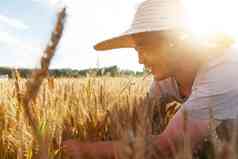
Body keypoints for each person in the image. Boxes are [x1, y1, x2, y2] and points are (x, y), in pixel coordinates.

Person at [63, 0, 238, 158]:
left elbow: (166, 147)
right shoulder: (165, 80)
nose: (139, 60)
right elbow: (143, 112)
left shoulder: (224, 70)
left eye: (143, 48)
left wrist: (85, 149)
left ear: (174, 42)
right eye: (137, 50)